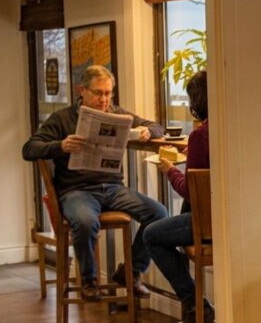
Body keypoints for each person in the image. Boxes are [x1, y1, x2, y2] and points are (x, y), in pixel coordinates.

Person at [23, 65, 168, 301]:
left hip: (113, 188)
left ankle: (130, 273)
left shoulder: (116, 113)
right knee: (85, 221)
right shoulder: (62, 118)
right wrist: (60, 146)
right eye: (99, 93)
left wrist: (146, 132)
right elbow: (29, 148)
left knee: (159, 213)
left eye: (109, 93)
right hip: (76, 190)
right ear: (82, 90)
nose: (104, 99)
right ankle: (89, 280)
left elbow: (157, 126)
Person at [143, 70, 212, 323]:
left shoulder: (200, 135)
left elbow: (189, 191)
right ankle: (197, 307)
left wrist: (169, 168)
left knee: (151, 235)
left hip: (208, 224)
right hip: (232, 218)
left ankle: (196, 305)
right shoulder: (230, 127)